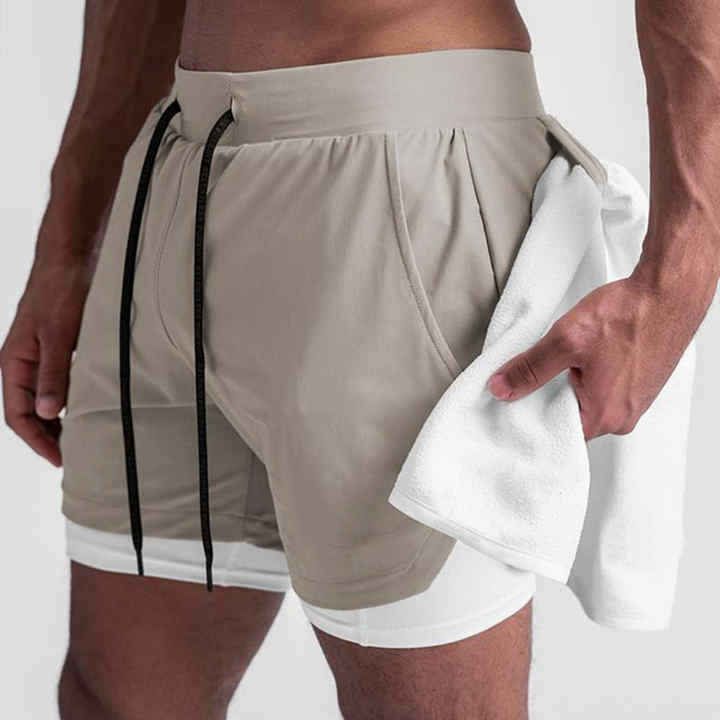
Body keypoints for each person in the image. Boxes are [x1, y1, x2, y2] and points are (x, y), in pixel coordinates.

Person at [2, 1, 717, 718]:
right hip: (168, 175)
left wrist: (680, 275)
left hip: (399, 174)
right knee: (109, 700)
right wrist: (67, 243)